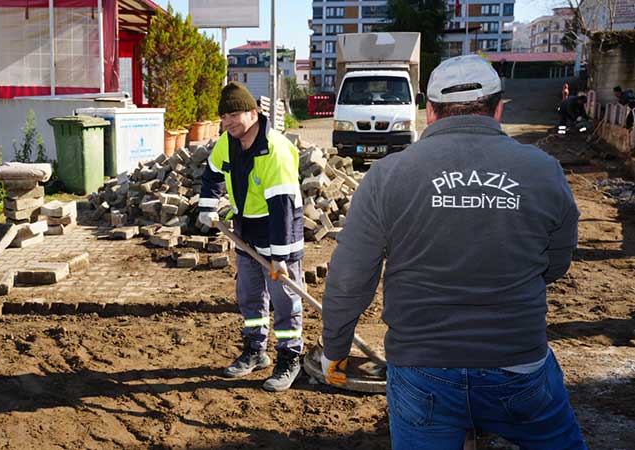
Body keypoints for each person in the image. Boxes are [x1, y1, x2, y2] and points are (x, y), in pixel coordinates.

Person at [320, 55, 587, 449]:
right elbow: (556, 262)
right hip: (517, 363)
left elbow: (349, 279)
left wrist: (335, 349)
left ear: (429, 111)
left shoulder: (388, 174)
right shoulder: (542, 169)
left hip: (422, 371)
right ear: (498, 108)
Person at [197, 81, 306, 392]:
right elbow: (212, 174)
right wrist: (208, 206)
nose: (228, 121)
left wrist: (280, 258)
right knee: (250, 296)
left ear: (254, 113)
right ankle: (255, 351)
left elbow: (282, 208)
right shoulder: (226, 143)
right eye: (224, 116)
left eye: (234, 114)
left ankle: (290, 357)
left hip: (278, 232)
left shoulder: (276, 151)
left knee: (285, 300)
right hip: (246, 232)